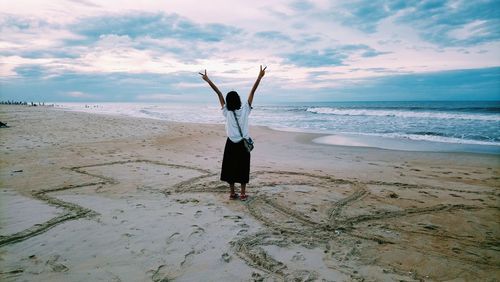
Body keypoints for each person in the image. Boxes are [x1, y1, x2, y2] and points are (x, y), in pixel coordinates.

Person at [199, 66, 267, 201]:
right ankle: (242, 194)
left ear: (229, 102)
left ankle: (232, 193)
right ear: (239, 100)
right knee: (243, 167)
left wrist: (208, 80)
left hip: (230, 143)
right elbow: (253, 91)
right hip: (243, 144)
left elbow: (218, 93)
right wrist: (259, 77)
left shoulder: (227, 112)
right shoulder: (245, 110)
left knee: (230, 167)